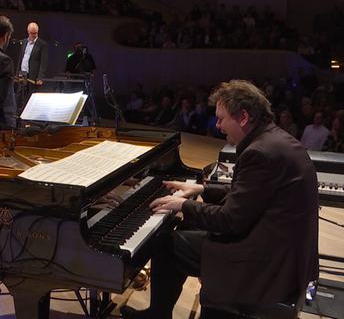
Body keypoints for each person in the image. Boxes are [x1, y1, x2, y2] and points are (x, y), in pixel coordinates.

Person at [121, 79, 319, 319]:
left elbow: (230, 220)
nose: (217, 125)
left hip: (269, 260)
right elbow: (252, 197)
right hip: (283, 248)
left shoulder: (259, 152)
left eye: (221, 118)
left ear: (243, 116)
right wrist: (201, 190)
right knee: (188, 224)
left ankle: (157, 315)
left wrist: (182, 204)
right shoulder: (274, 139)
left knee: (165, 244)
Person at [18, 22, 48, 91]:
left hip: (33, 75)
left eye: (35, 33)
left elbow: (43, 62)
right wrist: (18, 72)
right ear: (28, 32)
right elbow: (21, 58)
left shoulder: (42, 44)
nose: (34, 35)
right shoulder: (24, 41)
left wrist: (40, 77)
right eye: (32, 33)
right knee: (19, 95)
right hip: (23, 73)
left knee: (31, 94)